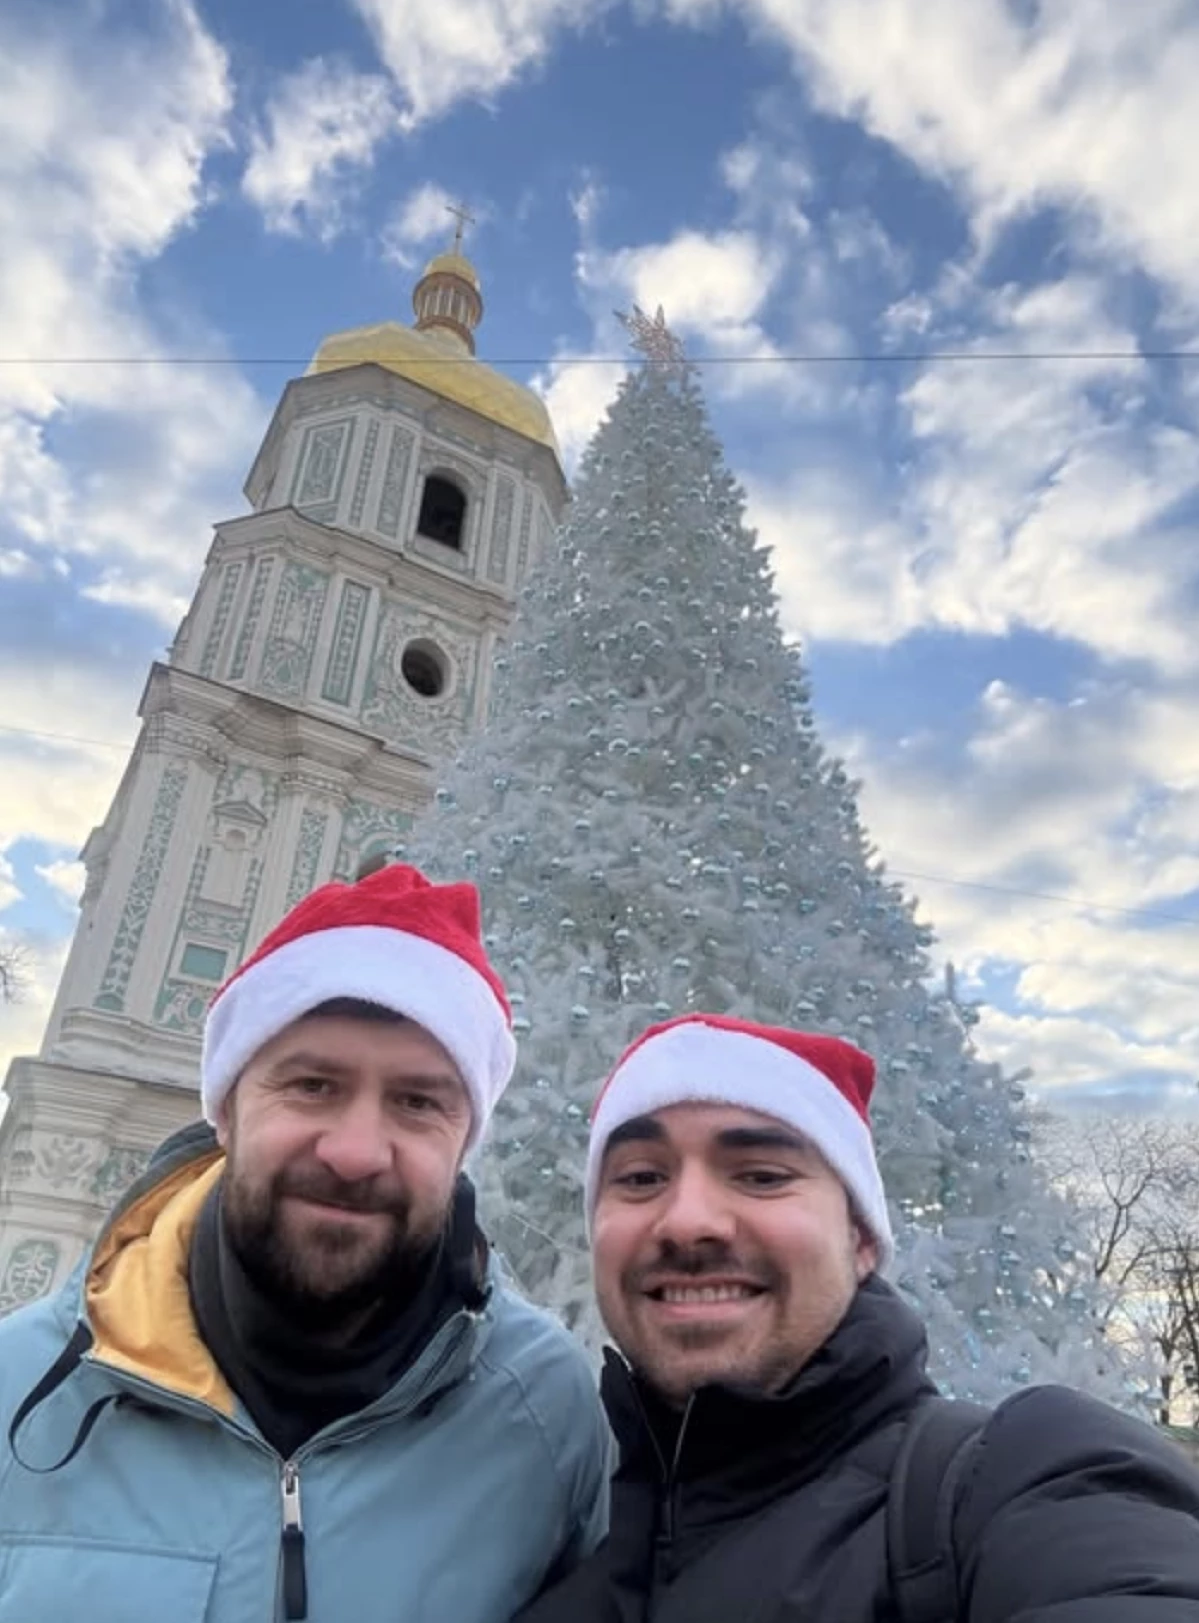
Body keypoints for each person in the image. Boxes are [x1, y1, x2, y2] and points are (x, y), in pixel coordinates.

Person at [0, 863, 608, 1623]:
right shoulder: (21, 1385)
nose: (356, 1151)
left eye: (418, 1101)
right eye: (312, 1084)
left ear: (463, 1141)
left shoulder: (545, 1413)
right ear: (225, 1108)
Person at [518, 1011, 1199, 1623]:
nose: (688, 1220)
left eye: (760, 1174)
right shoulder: (547, 1527)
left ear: (862, 1238)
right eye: (640, 1177)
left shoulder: (1017, 1476)